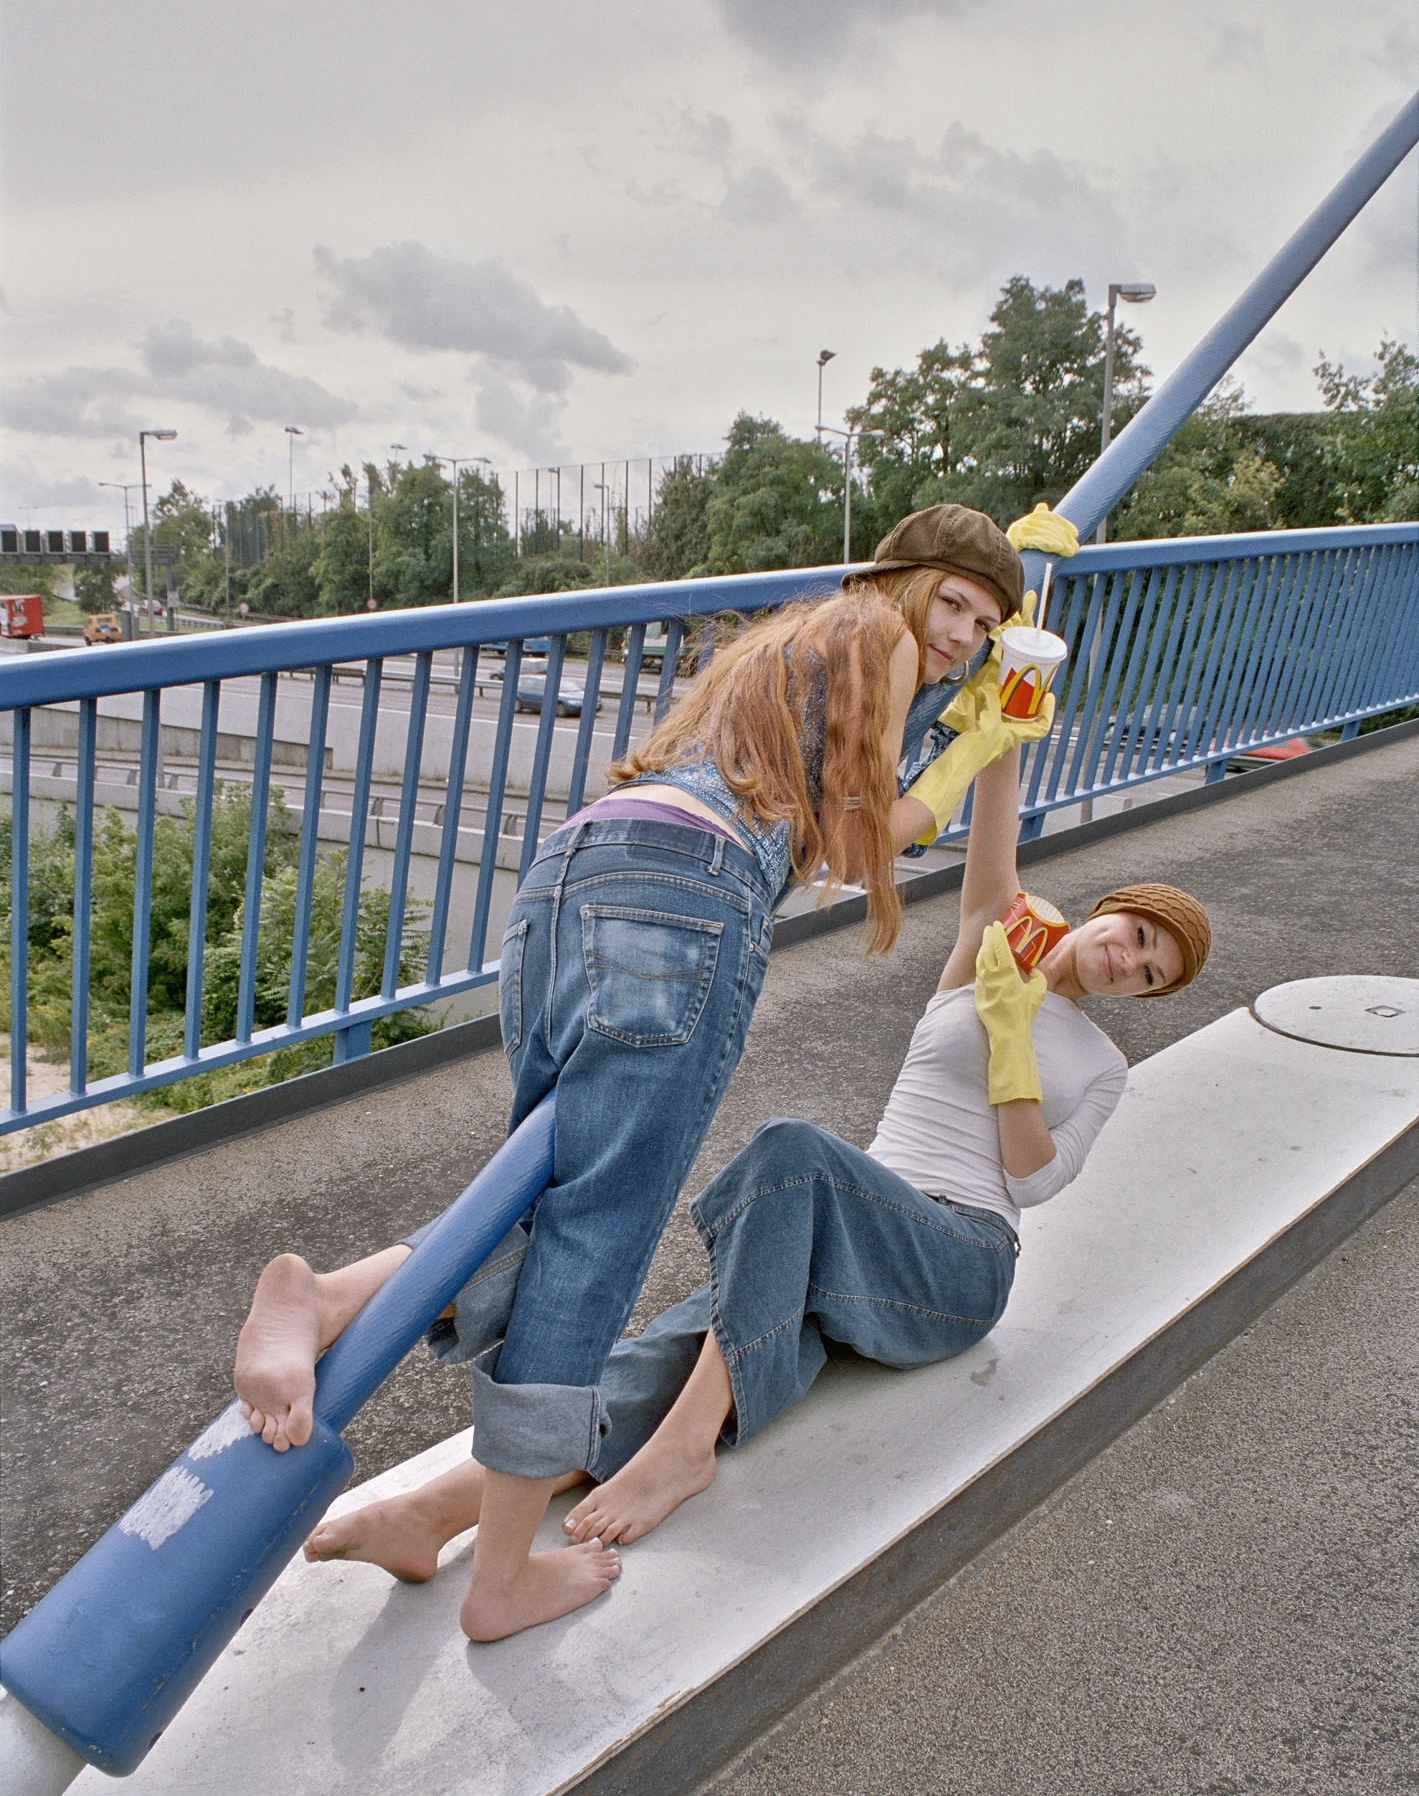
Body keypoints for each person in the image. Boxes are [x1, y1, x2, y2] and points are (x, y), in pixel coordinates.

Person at [234, 505, 1068, 1641]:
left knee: (553, 1190)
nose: (965, 633)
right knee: (598, 1241)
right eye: (954, 603)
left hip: (579, 874)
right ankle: (504, 1579)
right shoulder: (875, 634)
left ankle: (333, 1304)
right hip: (685, 908)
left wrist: (953, 728)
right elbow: (857, 840)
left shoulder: (795, 645)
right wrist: (976, 752)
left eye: (988, 619)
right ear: (901, 582)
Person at [285, 735, 1209, 1584]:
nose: (1128, 965)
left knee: (792, 1152)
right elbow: (993, 851)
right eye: (1134, 937)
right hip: (835, 1236)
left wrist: (1013, 1056)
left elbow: (1035, 1182)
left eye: (1150, 974)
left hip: (955, 1264)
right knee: (664, 1355)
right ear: (1105, 915)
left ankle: (682, 1454)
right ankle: (427, 1516)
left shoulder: (1101, 1065)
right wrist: (1010, 713)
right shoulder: (988, 957)